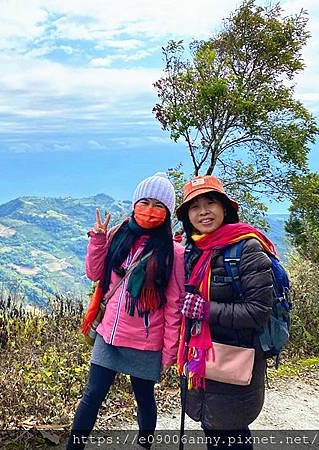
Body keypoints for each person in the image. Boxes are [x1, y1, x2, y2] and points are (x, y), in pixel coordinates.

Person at [67, 172, 185, 450]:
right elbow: (94, 273)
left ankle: (144, 446)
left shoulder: (173, 253)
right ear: (134, 204)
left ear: (167, 212)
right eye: (144, 202)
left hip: (145, 343)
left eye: (158, 205)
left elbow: (174, 305)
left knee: (144, 398)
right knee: (92, 396)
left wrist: (170, 351)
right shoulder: (119, 235)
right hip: (108, 335)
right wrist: (97, 240)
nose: (150, 210)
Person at [174, 175, 276, 450]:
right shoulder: (196, 249)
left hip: (233, 360)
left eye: (210, 203)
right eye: (195, 207)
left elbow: (257, 312)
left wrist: (205, 309)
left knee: (230, 436)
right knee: (213, 430)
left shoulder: (247, 248)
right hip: (201, 358)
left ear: (225, 208)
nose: (203, 211)